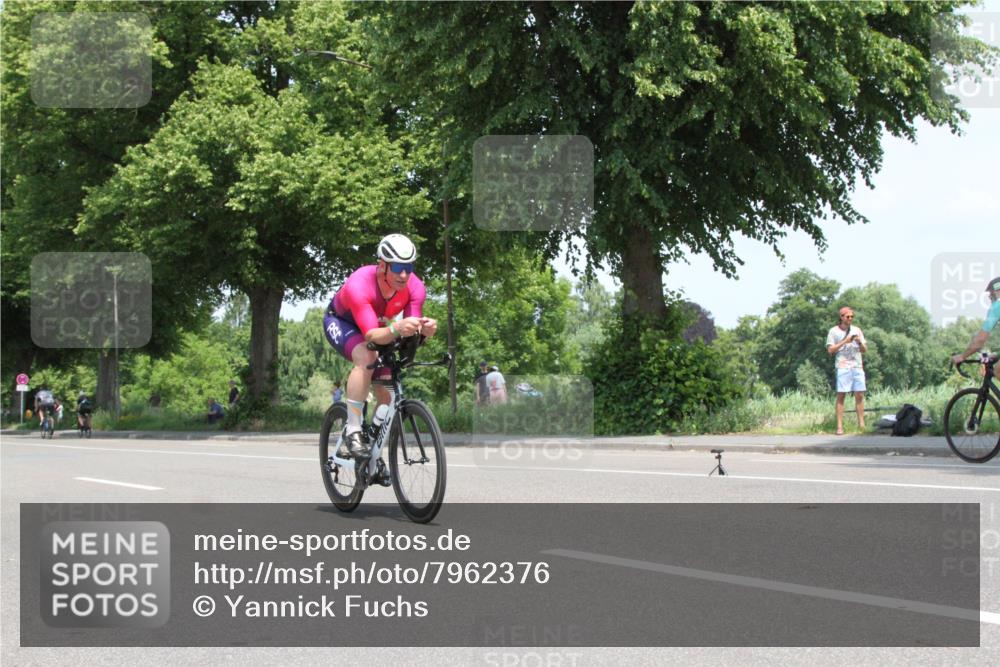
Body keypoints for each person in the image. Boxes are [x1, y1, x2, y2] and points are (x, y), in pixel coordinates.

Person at [322, 234, 438, 457]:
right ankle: (353, 429)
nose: (404, 275)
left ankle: (372, 450)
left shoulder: (416, 288)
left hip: (378, 326)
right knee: (367, 357)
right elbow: (371, 335)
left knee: (386, 391)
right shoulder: (359, 284)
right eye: (397, 267)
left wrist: (424, 331)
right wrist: (396, 328)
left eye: (409, 267)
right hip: (343, 322)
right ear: (382, 265)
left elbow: (408, 335)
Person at [826, 306, 868, 435]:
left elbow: (865, 350)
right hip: (843, 366)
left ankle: (861, 425)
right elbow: (830, 350)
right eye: (847, 316)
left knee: (859, 395)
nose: (850, 319)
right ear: (841, 317)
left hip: (857, 366)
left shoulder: (857, 330)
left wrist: (859, 343)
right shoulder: (833, 331)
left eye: (852, 316)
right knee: (841, 395)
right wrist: (845, 341)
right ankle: (839, 427)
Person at [951, 276, 1000, 380]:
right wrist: (995, 356)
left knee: (998, 370)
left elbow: (980, 340)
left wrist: (962, 356)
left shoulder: (997, 306)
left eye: (991, 293)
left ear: (998, 291)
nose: (990, 297)